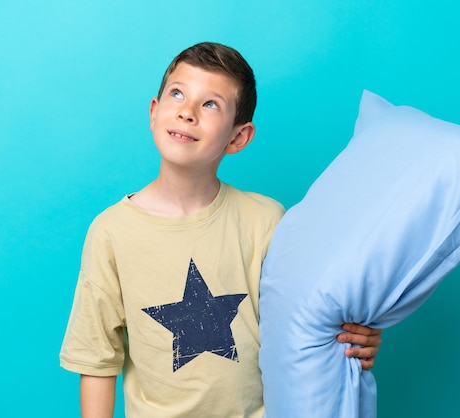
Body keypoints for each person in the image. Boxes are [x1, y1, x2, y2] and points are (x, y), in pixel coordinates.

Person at [60, 42, 382, 418]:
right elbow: (97, 360)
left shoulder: (266, 219)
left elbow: (306, 319)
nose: (187, 112)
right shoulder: (111, 231)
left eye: (210, 104)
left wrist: (357, 339)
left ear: (238, 138)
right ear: (154, 111)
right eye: (177, 94)